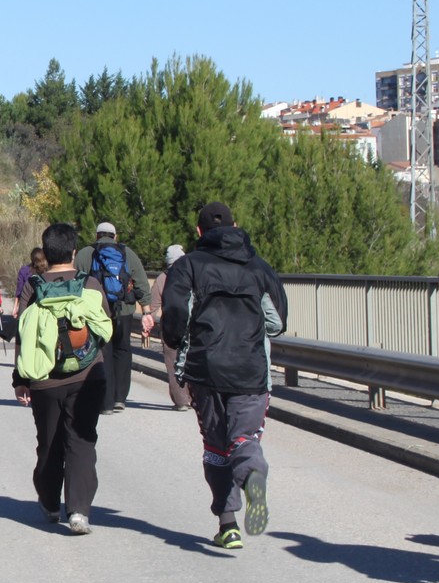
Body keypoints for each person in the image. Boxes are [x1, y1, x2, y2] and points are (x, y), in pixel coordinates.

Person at [160, 201, 288, 551]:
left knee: (216, 448)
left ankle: (228, 525)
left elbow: (176, 316)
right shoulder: (258, 267)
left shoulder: (188, 266)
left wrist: (177, 343)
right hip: (251, 370)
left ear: (199, 232)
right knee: (244, 438)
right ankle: (252, 474)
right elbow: (277, 323)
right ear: (235, 226)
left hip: (206, 370)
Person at [12, 222, 111, 535]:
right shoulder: (90, 284)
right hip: (88, 376)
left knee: (49, 442)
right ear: (73, 252)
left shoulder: (34, 286)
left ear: (46, 251)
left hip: (45, 380)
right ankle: (79, 511)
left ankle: (50, 502)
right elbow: (104, 327)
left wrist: (20, 378)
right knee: (82, 441)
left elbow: (24, 335)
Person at [76, 222, 154, 413]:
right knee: (123, 351)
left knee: (104, 353)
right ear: (115, 236)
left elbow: (75, 283)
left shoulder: (85, 254)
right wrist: (146, 312)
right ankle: (120, 398)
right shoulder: (127, 253)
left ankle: (106, 402)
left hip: (97, 313)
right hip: (124, 310)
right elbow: (142, 283)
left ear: (97, 236)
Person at [151, 244, 192, 410]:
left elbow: (153, 306)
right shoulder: (192, 275)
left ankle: (181, 401)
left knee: (172, 363)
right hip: (191, 325)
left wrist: (148, 319)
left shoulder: (161, 279)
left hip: (169, 325)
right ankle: (192, 398)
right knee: (191, 360)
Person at [15, 247, 47, 315]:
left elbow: (19, 291)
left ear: (31, 258)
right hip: (43, 307)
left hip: (27, 306)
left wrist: (15, 307)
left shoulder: (24, 270)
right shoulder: (47, 271)